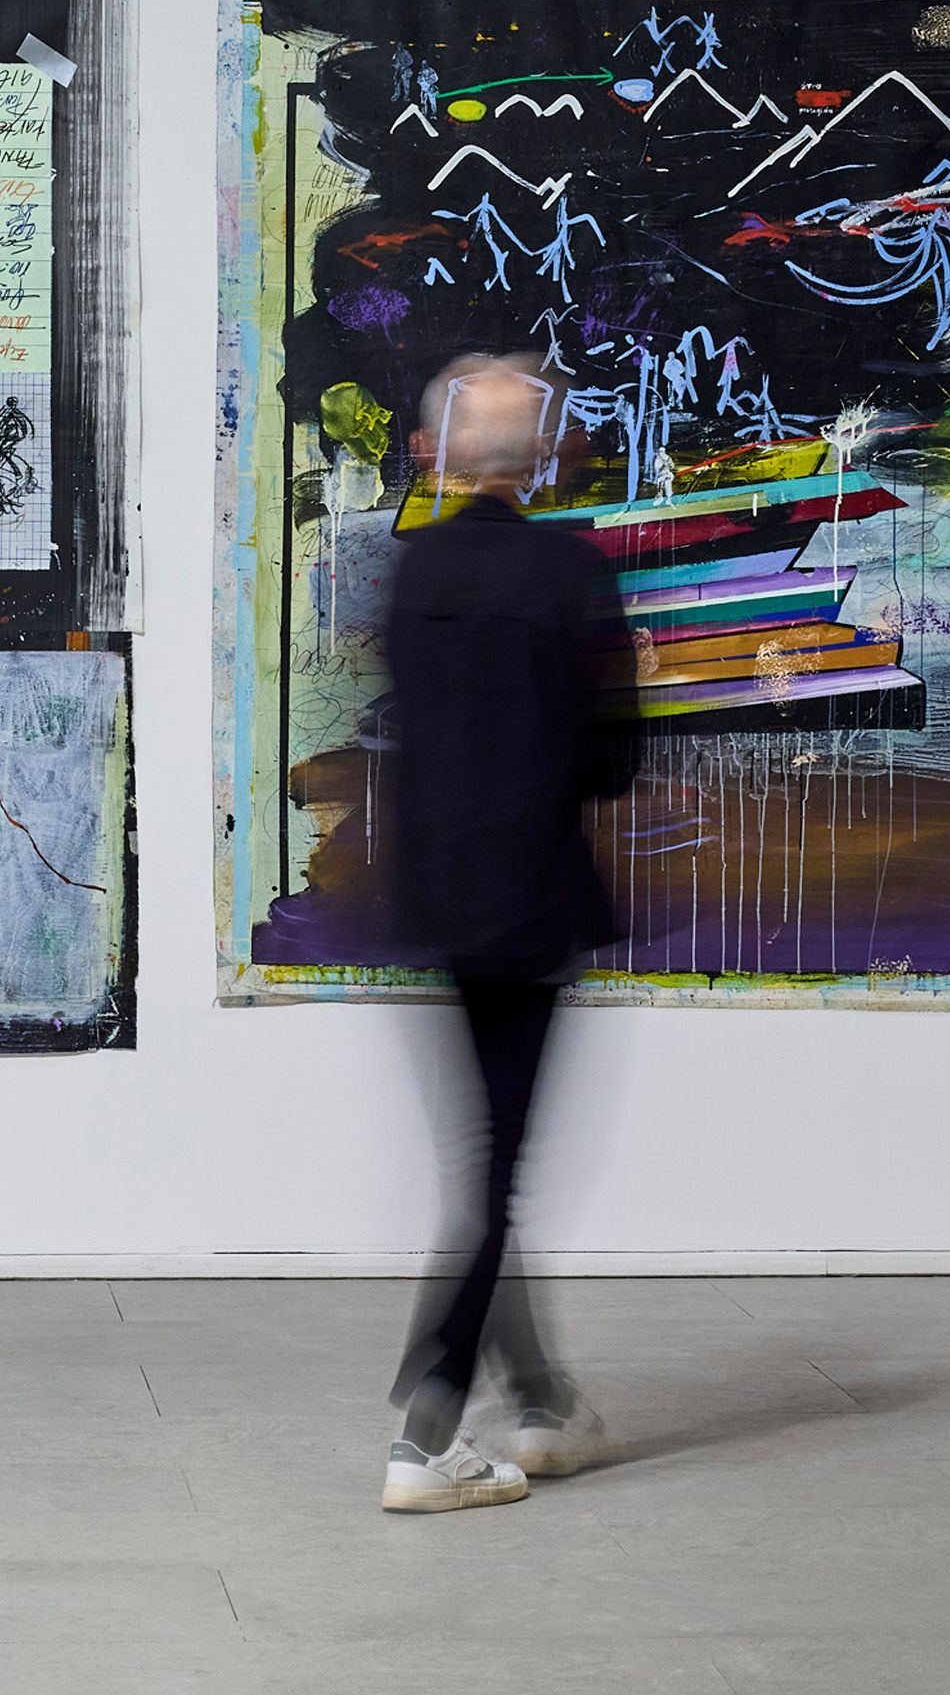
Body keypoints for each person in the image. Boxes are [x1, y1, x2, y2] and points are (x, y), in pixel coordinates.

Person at [371, 353, 639, 1513]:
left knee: (484, 1164)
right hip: (531, 902)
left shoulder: (415, 569)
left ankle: (543, 1403)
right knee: (497, 1176)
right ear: (536, 457)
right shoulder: (570, 572)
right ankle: (426, 1432)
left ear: (441, 453)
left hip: (437, 900)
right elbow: (616, 760)